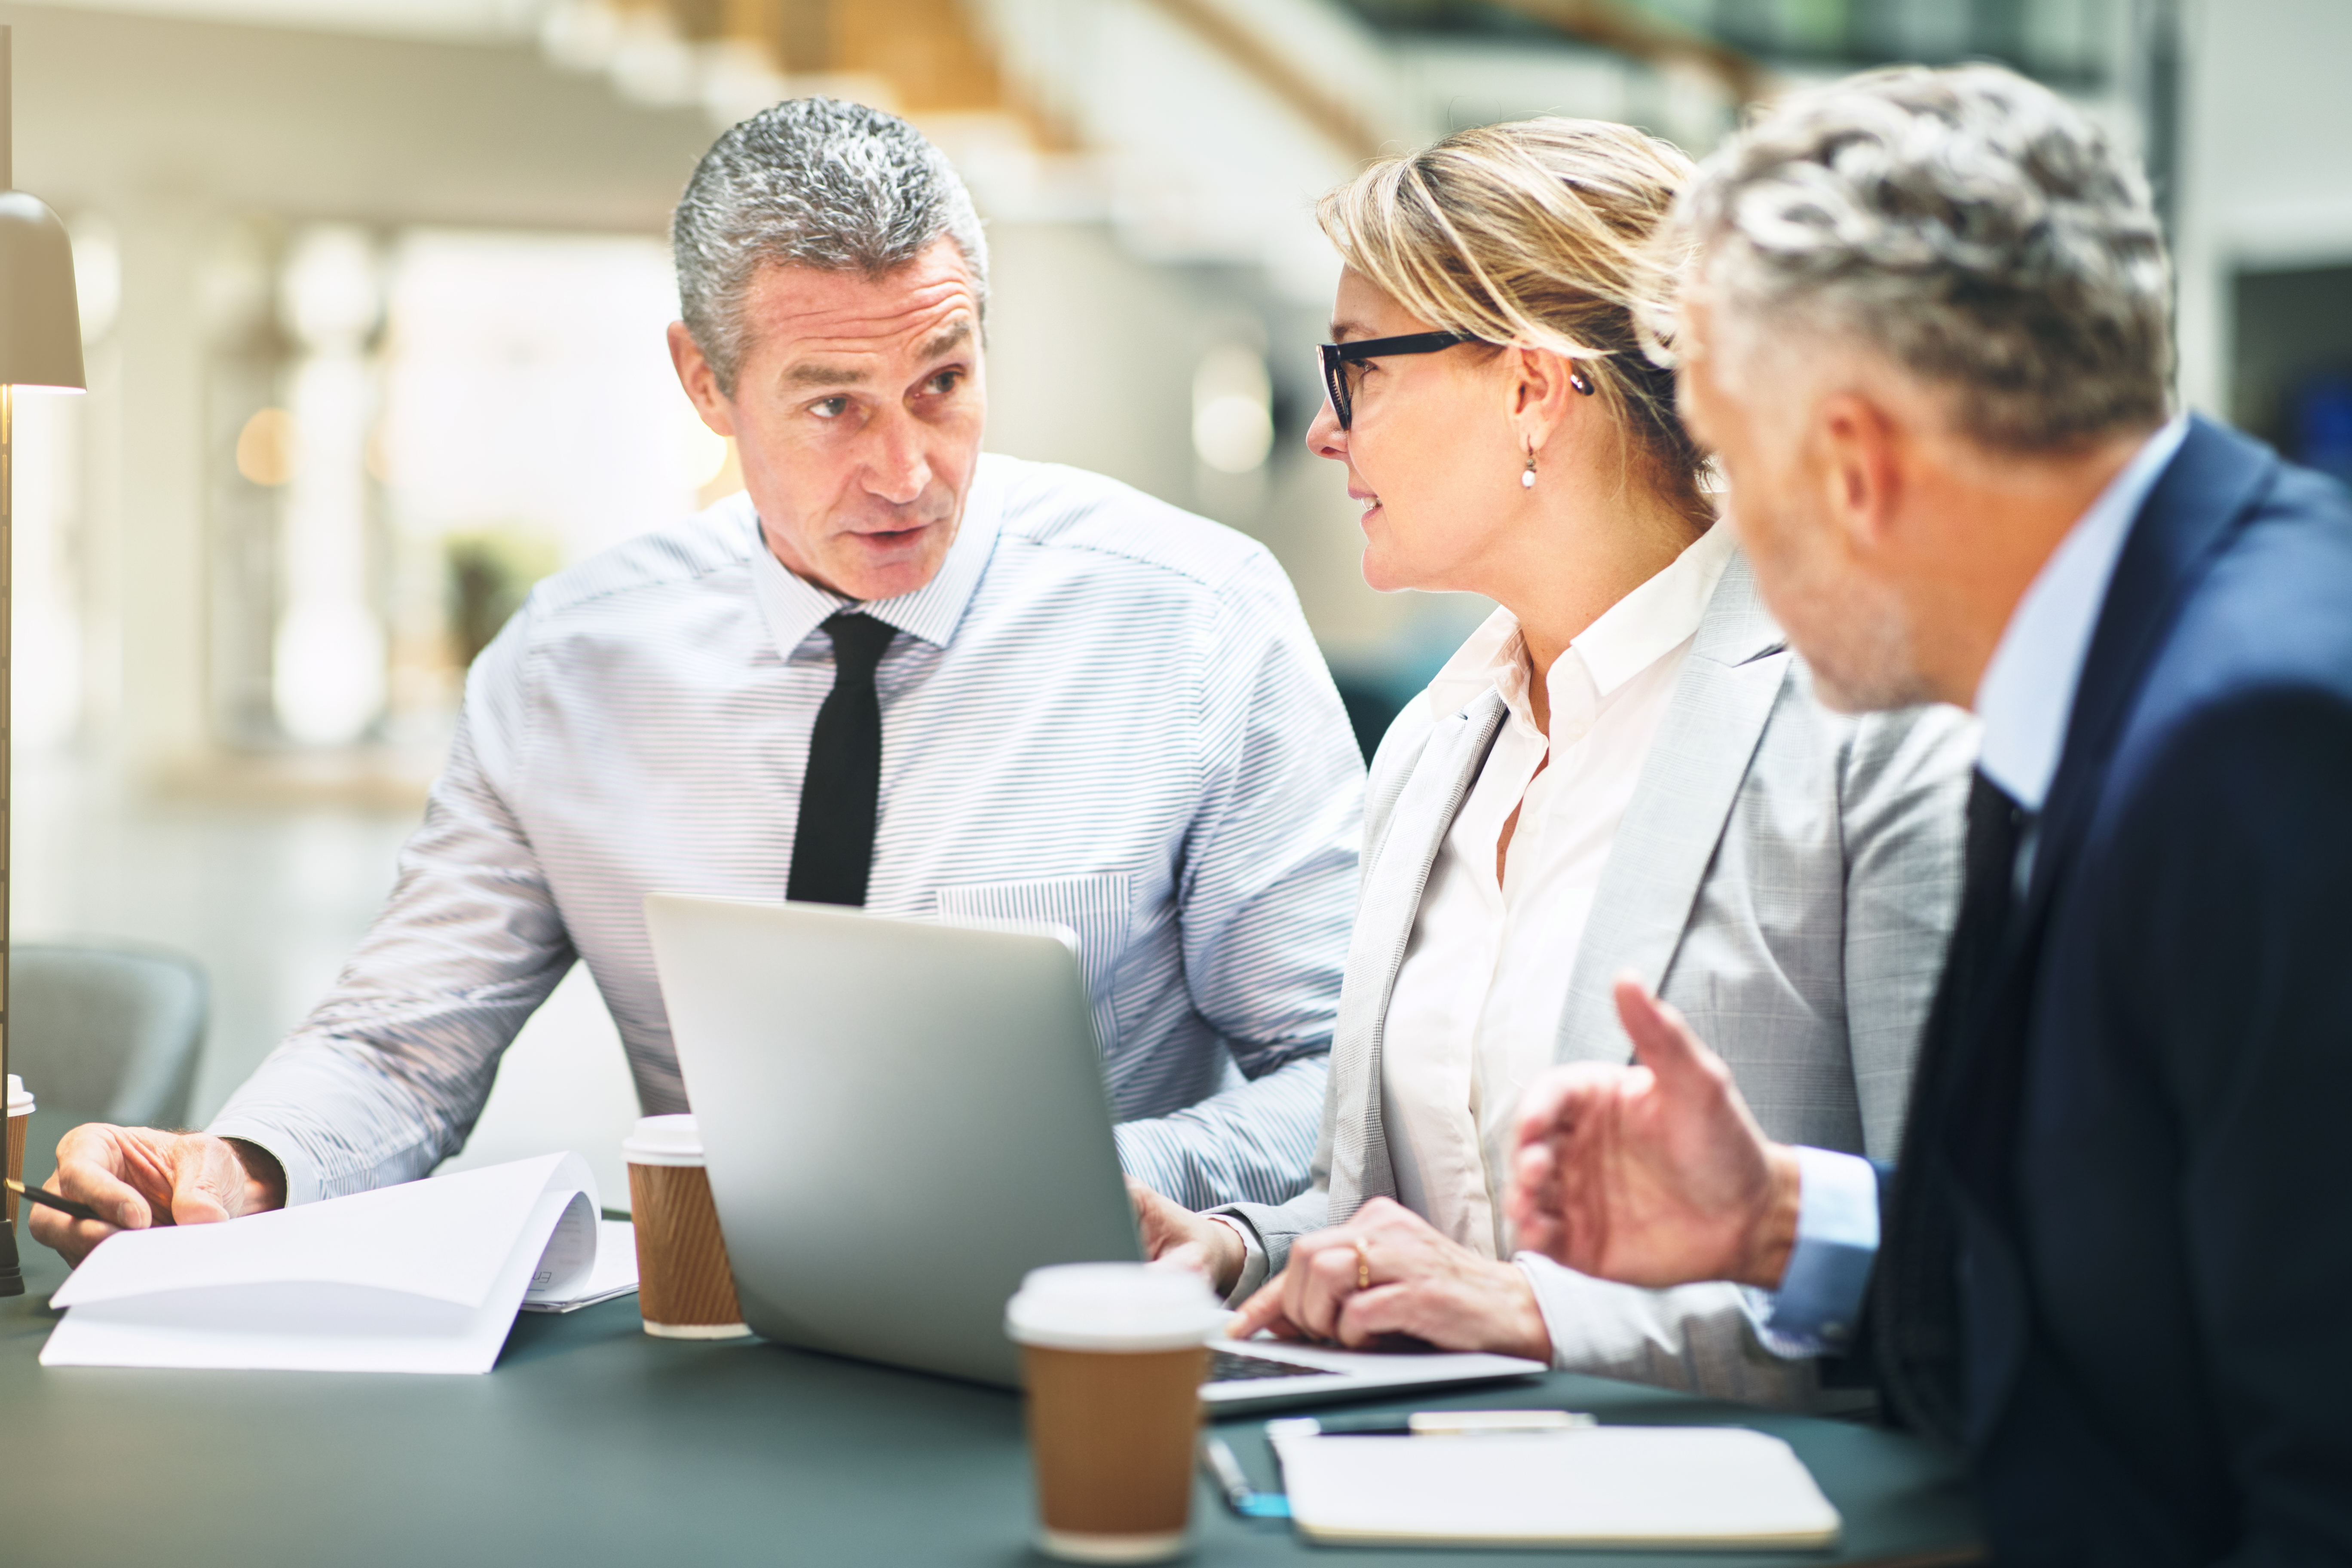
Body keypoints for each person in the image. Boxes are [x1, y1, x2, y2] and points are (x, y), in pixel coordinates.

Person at [32, 98, 1366, 1265]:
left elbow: (1343, 1077)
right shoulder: (567, 671)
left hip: (1077, 1319)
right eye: (833, 404)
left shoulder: (1196, 623)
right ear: (703, 382)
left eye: (944, 383)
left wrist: (1125, 1180)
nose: (907, 471)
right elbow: (400, 1048)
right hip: (720, 1336)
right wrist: (241, 1168)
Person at [1505, 65, 2352, 1564]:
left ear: (1853, 463)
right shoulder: (2133, 672)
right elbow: (2132, 1280)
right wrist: (1769, 1218)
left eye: (1728, 463)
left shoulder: (2259, 739)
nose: (1729, 533)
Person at [1131, 118, 1972, 1408]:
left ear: (1533, 386)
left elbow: (1968, 1259)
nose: (1325, 430)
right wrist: (1258, 1249)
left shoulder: (1872, 722)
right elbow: (1420, 1229)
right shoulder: (1437, 736)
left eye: (1358, 366)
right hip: (1406, 1487)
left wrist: (1540, 1319)